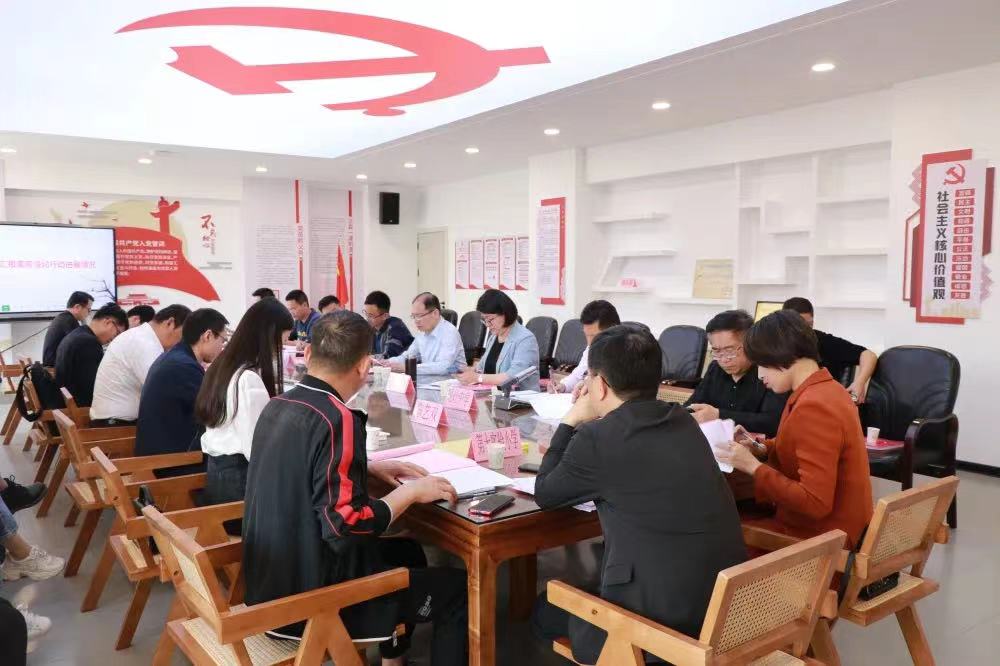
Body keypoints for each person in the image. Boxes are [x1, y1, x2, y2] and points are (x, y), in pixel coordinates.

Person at [243, 311, 468, 665]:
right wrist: (409, 493)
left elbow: (304, 475)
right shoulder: (338, 418)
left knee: (409, 551)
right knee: (458, 590)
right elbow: (346, 527)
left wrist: (368, 469)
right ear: (365, 367)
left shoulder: (279, 404)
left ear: (308, 354)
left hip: (268, 586)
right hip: (311, 603)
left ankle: (393, 659)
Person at [531, 326, 746, 664]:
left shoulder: (598, 437)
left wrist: (571, 420)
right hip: (720, 610)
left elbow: (545, 492)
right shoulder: (682, 420)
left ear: (600, 385)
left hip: (653, 631)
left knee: (545, 609)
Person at [715, 310, 873, 548]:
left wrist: (753, 466)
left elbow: (815, 502)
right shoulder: (828, 389)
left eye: (762, 364)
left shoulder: (814, 405)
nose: (760, 375)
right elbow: (800, 445)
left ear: (780, 354)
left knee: (721, 539)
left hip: (824, 541)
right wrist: (760, 448)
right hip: (839, 529)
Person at [196, 299, 293, 522]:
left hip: (218, 480)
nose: (279, 350)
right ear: (267, 337)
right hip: (239, 489)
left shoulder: (222, 367)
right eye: (281, 342)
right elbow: (258, 448)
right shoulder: (248, 379)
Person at [136, 308, 229, 477]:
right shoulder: (184, 367)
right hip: (172, 464)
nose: (222, 347)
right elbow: (213, 413)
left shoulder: (174, 357)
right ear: (208, 335)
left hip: (159, 454)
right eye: (222, 340)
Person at [685, 310, 788, 437]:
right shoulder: (715, 368)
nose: (723, 359)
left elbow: (772, 422)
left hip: (754, 446)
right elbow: (693, 404)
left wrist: (718, 415)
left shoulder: (770, 371)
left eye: (729, 350)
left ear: (750, 343)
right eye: (716, 351)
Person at [89, 304, 190, 425]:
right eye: (183, 336)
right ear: (170, 323)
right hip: (116, 426)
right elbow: (163, 390)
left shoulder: (142, 336)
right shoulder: (144, 342)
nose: (181, 343)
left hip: (115, 421)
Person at [782, 297, 878, 403]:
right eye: (798, 326)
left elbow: (868, 355)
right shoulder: (774, 347)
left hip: (823, 404)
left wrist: (860, 382)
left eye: (809, 325)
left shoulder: (823, 341)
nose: (804, 331)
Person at [456, 289, 539, 391]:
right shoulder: (494, 337)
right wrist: (466, 372)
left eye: (490, 319)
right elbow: (480, 369)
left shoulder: (525, 339)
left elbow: (512, 377)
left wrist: (478, 378)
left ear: (505, 314)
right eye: (484, 320)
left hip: (519, 397)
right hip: (493, 395)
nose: (487, 324)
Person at [54, 303, 128, 407]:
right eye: (117, 334)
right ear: (108, 322)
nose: (114, 339)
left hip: (67, 401)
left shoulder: (78, 334)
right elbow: (92, 387)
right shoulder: (89, 343)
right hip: (81, 408)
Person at [548, 300, 619, 399]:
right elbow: (578, 375)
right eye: (587, 335)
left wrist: (588, 384)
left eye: (594, 336)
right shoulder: (593, 347)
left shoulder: (626, 352)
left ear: (613, 329)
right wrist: (563, 386)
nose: (589, 343)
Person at [381, 293, 465, 376]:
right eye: (413, 316)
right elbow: (407, 356)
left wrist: (408, 367)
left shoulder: (449, 332)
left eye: (419, 316)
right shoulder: (422, 333)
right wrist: (386, 363)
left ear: (435, 313)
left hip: (452, 380)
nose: (416, 321)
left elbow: (443, 367)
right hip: (430, 380)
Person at [41, 291, 93, 367]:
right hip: (54, 368)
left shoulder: (64, 317)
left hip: (52, 364)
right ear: (77, 307)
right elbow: (82, 347)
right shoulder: (69, 320)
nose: (89, 313)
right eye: (88, 310)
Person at [363, 290, 413, 359]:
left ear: (385, 316)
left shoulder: (396, 327)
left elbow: (390, 356)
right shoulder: (371, 328)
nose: (367, 318)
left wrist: (367, 358)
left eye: (371, 315)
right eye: (365, 313)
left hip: (406, 365)